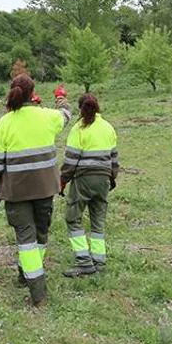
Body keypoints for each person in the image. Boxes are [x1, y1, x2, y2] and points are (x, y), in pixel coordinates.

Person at [0, 74, 72, 306]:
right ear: (33, 94)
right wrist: (60, 98)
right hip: (45, 189)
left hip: (16, 192)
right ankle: (29, 277)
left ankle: (36, 290)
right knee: (41, 235)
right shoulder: (47, 116)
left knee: (26, 239)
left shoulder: (5, 123)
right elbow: (66, 114)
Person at [60, 94, 118, 278]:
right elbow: (114, 158)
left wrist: (63, 180)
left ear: (80, 109)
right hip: (103, 179)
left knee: (73, 218)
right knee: (98, 221)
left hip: (83, 179)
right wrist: (112, 178)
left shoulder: (79, 128)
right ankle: (99, 261)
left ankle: (83, 261)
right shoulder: (108, 127)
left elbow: (70, 160)